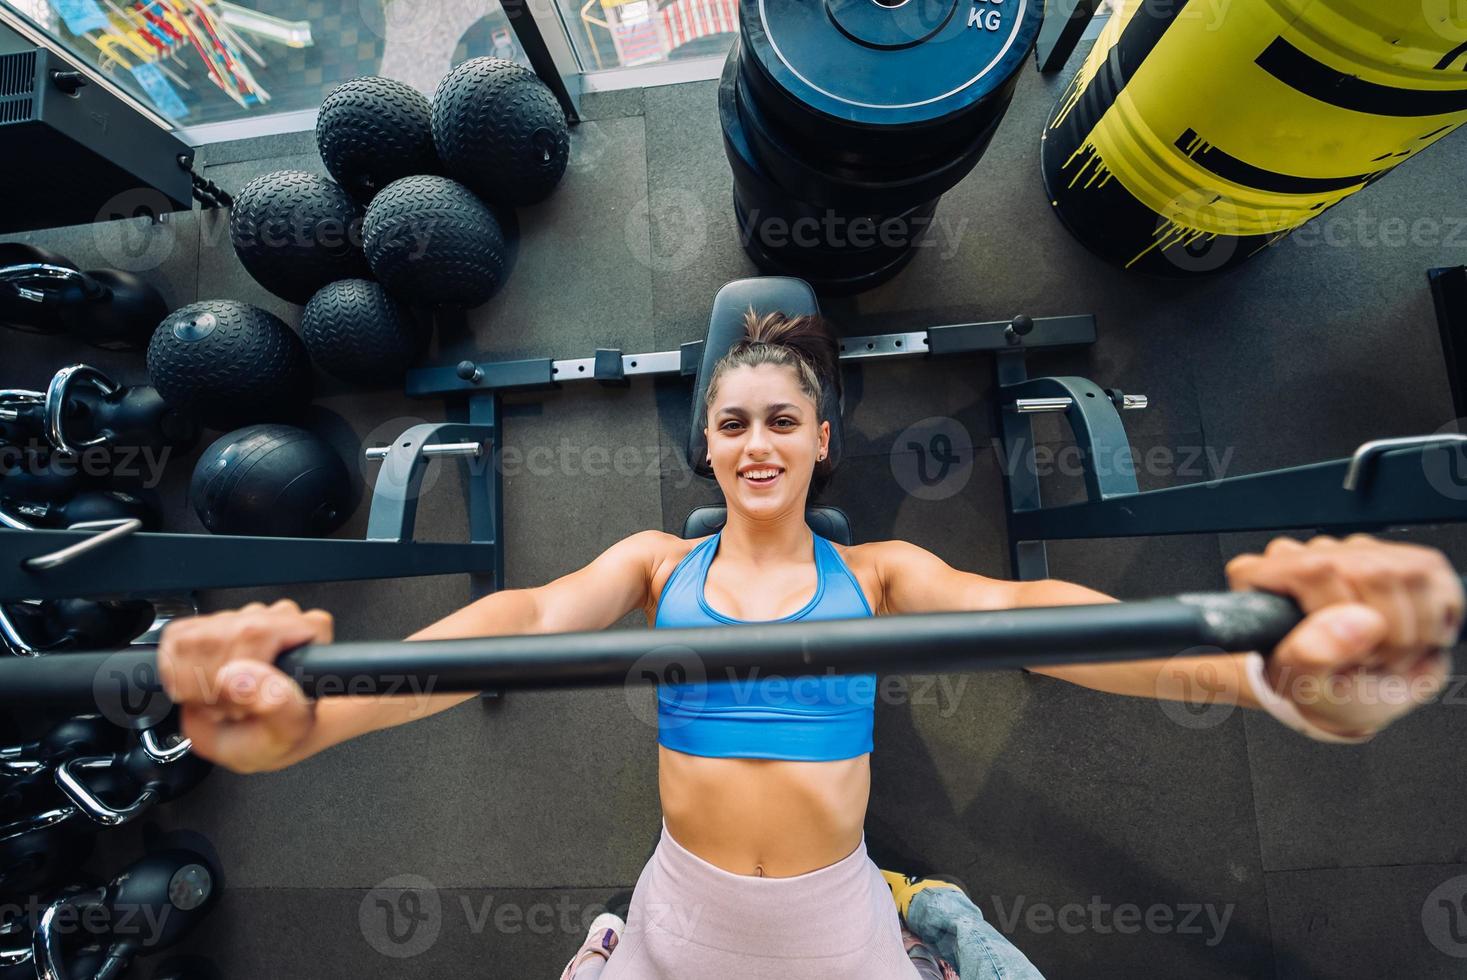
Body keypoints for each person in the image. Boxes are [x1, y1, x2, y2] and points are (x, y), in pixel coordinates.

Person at [158, 311, 1463, 979]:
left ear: (820, 436)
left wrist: (1258, 675)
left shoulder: (885, 571)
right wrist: (321, 714)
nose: (760, 443)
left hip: (840, 919)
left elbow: (1039, 625)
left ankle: (917, 920)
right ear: (711, 446)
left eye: (784, 418)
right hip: (684, 913)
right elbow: (517, 623)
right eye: (735, 425)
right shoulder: (656, 564)